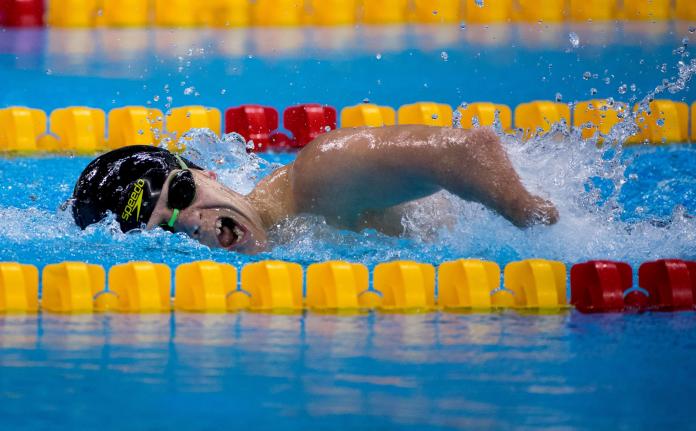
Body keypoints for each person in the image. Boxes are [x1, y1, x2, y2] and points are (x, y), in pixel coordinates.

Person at [71, 125, 559, 254]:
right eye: (167, 231)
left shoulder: (324, 176)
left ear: (207, 174)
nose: (192, 223)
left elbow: (467, 150)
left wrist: (527, 213)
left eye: (180, 197)